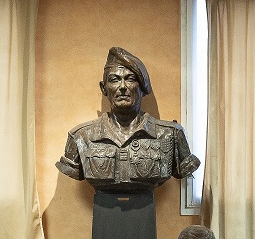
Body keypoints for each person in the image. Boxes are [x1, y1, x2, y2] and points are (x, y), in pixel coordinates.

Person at [56, 46, 201, 193]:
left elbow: (184, 169)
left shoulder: (171, 134)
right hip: (104, 209)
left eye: (130, 79)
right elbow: (71, 170)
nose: (123, 87)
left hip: (145, 208)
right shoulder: (81, 136)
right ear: (104, 88)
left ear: (142, 87)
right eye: (114, 80)